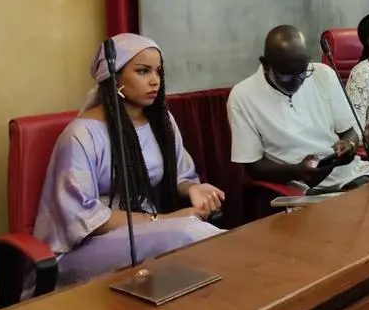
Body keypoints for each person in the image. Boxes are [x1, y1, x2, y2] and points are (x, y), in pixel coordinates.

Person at [32, 34, 225, 289]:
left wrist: (191, 188)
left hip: (147, 233)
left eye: (158, 71)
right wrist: (167, 220)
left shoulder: (162, 122)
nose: (154, 80)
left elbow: (180, 173)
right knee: (190, 234)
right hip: (84, 247)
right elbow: (86, 219)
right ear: (113, 77)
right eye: (143, 71)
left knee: (194, 239)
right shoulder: (81, 135)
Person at [228, 25, 369, 193]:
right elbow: (253, 166)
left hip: (351, 176)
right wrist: (298, 171)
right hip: (302, 188)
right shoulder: (242, 96)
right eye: (286, 74)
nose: (297, 81)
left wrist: (349, 144)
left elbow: (349, 132)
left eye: (303, 72)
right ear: (266, 64)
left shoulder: (323, 75)